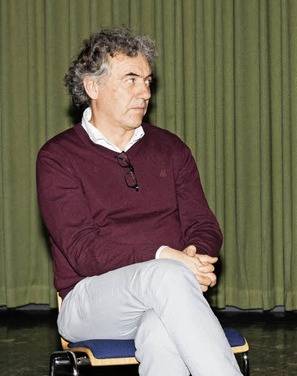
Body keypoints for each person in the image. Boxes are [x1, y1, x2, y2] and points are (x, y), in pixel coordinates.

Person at [36, 27, 242, 375]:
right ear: (93, 86)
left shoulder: (171, 148)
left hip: (166, 294)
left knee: (161, 331)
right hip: (89, 301)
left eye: (147, 80)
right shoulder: (58, 157)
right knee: (168, 276)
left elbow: (203, 224)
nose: (145, 91)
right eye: (131, 79)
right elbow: (86, 252)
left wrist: (196, 256)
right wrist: (168, 257)